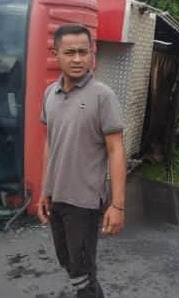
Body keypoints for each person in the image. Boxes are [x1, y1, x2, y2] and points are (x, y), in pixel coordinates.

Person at [37, 24, 127, 298]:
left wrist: (118, 205)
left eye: (83, 52)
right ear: (56, 54)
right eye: (70, 52)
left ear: (92, 54)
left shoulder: (103, 96)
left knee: (83, 273)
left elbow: (116, 150)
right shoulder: (49, 94)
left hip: (85, 202)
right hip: (58, 197)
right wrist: (45, 189)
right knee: (70, 265)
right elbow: (49, 143)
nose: (77, 59)